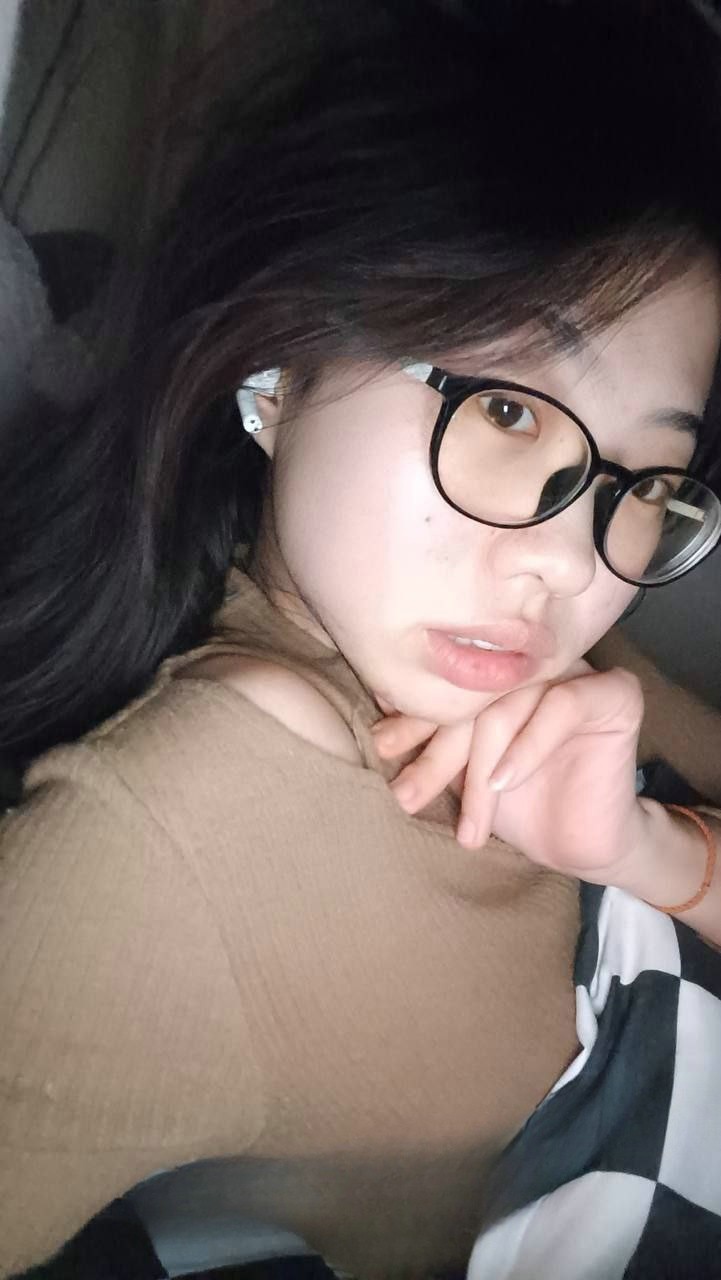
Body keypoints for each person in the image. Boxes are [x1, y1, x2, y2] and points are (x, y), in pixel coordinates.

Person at [3, 1, 721, 1276]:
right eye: (505, 408)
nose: (569, 562)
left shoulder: (565, 678)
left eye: (643, 481)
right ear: (280, 363)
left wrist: (647, 847)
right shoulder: (159, 849)